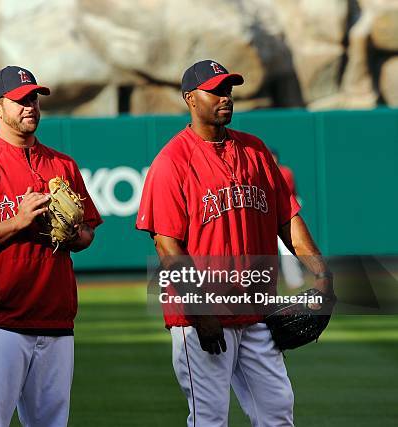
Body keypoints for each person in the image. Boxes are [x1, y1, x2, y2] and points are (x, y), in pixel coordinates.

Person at [136, 60, 334, 427]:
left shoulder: (256, 151)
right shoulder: (171, 162)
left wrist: (323, 276)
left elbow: (287, 219)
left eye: (228, 89)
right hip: (201, 320)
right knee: (210, 419)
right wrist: (202, 313)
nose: (225, 97)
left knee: (277, 413)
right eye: (215, 90)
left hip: (257, 312)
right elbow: (167, 247)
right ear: (190, 99)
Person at [0, 65, 102, 427]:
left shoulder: (63, 165)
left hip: (57, 321)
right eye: (20, 100)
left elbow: (88, 234)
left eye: (33, 98)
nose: (30, 105)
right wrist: (17, 223)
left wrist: (74, 234)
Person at [271, 149, 305, 289]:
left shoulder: (286, 172)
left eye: (273, 157)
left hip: (283, 214)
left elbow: (293, 193)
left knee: (286, 248)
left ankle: (294, 280)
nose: (272, 159)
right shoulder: (262, 171)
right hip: (267, 215)